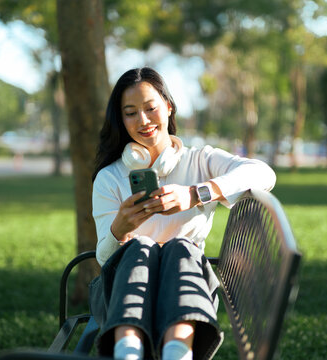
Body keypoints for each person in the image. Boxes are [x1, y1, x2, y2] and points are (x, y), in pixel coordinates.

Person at [91, 67, 276, 360]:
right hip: (121, 298)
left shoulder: (200, 160)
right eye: (130, 113)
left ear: (168, 107)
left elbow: (263, 173)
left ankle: (177, 353)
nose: (143, 120)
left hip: (185, 291)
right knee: (140, 246)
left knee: (181, 247)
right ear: (120, 119)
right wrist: (119, 229)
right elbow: (104, 258)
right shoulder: (109, 178)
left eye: (150, 108)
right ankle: (129, 351)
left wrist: (195, 194)